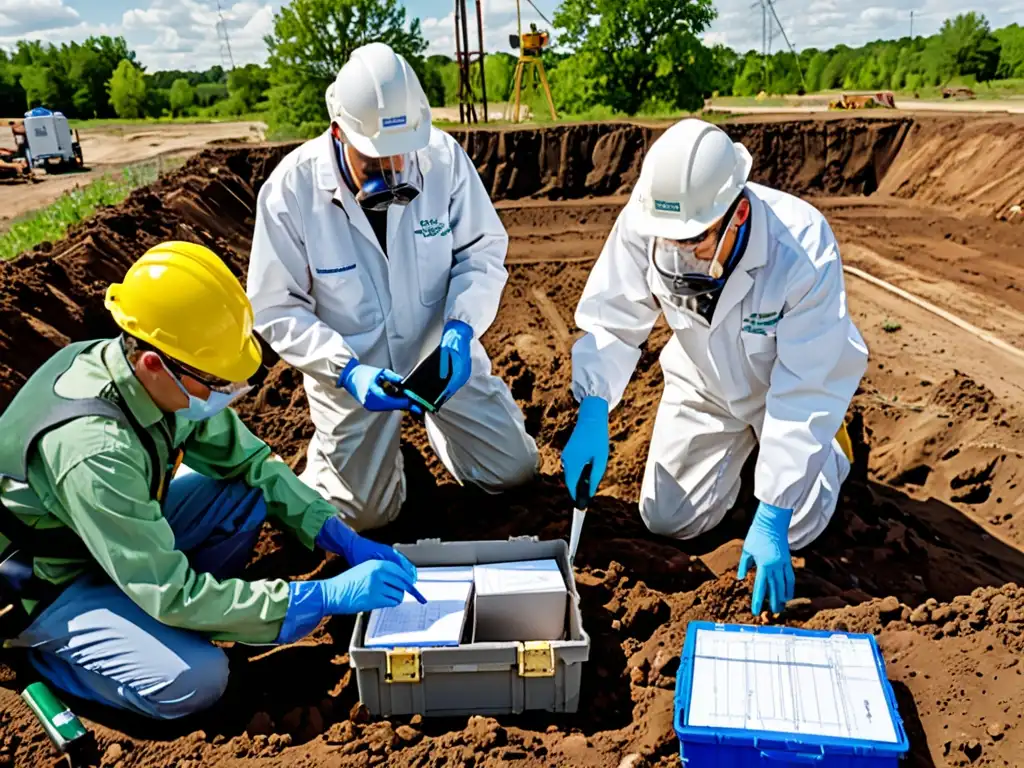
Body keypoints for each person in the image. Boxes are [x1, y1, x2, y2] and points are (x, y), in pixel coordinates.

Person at [0, 242, 420, 720]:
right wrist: (319, 597)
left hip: (110, 541)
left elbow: (253, 466)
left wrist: (337, 535)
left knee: (244, 495)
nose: (223, 395)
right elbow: (170, 591)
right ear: (154, 363)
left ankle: (172, 621)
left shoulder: (145, 377)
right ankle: (49, 656)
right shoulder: (94, 450)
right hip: (49, 583)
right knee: (195, 680)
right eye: (214, 383)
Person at [561, 118, 868, 616]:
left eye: (696, 242)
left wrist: (770, 515)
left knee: (798, 525)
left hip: (781, 395)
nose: (681, 256)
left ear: (738, 214)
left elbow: (807, 387)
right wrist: (594, 406)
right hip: (703, 384)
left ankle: (835, 448)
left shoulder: (802, 248)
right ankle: (748, 457)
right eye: (672, 243)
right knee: (668, 520)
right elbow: (614, 319)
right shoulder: (654, 218)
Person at [247, 42, 538, 531]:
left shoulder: (443, 160)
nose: (393, 172)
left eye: (401, 158)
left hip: (437, 357)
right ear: (338, 132)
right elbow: (277, 306)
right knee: (362, 517)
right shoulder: (290, 191)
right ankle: (346, 462)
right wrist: (344, 371)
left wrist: (461, 330)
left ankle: (437, 426)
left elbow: (481, 252)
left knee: (513, 473)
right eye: (375, 161)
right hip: (353, 369)